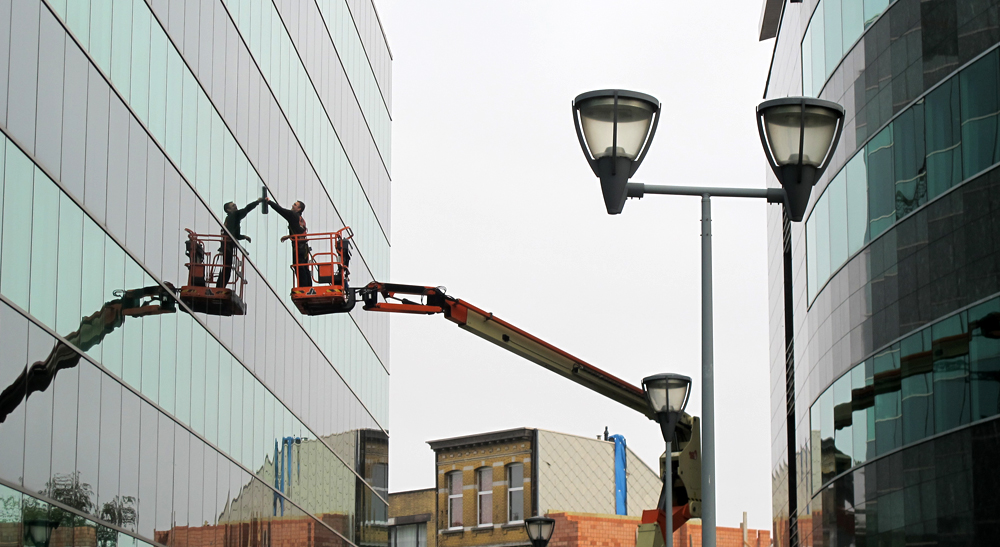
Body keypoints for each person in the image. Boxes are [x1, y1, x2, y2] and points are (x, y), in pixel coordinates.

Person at [217, 198, 263, 288]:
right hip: (228, 245)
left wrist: (244, 237)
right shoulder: (234, 216)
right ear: (228, 210)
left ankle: (219, 287)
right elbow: (247, 209)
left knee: (227, 268)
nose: (235, 206)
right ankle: (219, 288)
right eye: (233, 206)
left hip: (227, 244)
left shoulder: (231, 218)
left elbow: (236, 235)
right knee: (227, 268)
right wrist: (257, 202)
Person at [267, 198, 311, 287]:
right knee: (304, 267)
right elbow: (299, 231)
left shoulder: (293, 215)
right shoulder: (300, 219)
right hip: (303, 246)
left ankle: (304, 288)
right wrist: (289, 236)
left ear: (299, 209)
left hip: (298, 247)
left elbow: (280, 210)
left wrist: (269, 201)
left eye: (295, 205)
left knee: (299, 267)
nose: (292, 206)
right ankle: (308, 287)